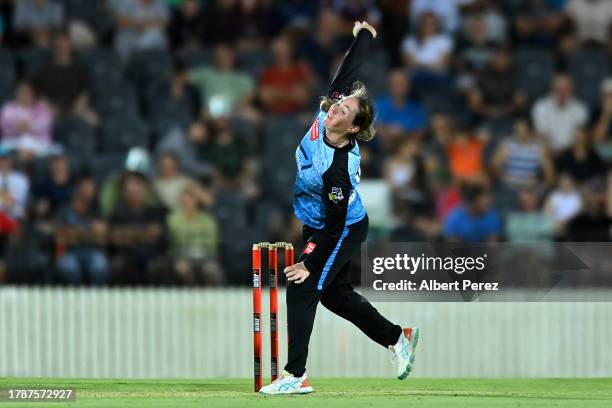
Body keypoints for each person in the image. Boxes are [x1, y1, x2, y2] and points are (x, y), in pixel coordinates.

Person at [259, 21, 419, 396]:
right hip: (319, 223)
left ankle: (295, 375)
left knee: (302, 287)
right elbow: (347, 72)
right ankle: (397, 337)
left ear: (352, 128)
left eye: (344, 110)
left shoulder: (338, 170)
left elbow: (332, 230)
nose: (335, 109)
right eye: (338, 104)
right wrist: (364, 36)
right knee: (334, 295)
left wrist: (309, 261)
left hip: (342, 228)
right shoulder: (326, 113)